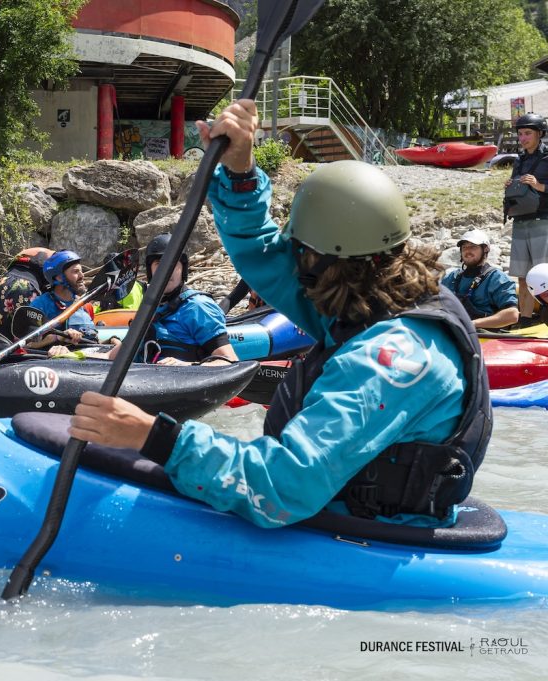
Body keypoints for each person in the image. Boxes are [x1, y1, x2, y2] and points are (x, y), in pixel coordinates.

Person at [69, 99, 490, 530]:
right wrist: (239, 172)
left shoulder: (391, 357)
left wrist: (152, 437)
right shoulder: (368, 296)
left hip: (362, 530)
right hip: (337, 505)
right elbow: (260, 251)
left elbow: (284, 487)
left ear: (331, 260)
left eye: (300, 249)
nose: (292, 258)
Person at [108, 233, 237, 364]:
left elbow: (229, 360)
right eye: (159, 263)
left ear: (183, 269)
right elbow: (111, 357)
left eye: (173, 263)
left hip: (183, 380)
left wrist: (187, 365)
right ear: (150, 271)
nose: (166, 270)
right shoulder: (149, 310)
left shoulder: (198, 307)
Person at [505, 113, 548, 326]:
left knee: (544, 275)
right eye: (520, 134)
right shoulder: (519, 161)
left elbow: (539, 188)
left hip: (543, 221)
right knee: (522, 276)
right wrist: (511, 186)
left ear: (540, 134)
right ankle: (524, 321)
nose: (523, 138)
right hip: (520, 221)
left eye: (528, 133)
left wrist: (539, 185)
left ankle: (545, 320)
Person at [441, 229, 518, 330]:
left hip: (484, 334)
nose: (468, 251)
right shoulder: (451, 277)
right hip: (455, 332)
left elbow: (512, 315)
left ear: (485, 249)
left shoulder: (497, 279)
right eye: (464, 247)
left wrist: (471, 324)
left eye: (473, 246)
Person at [27, 250, 99, 352]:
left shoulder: (84, 304)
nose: (82, 276)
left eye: (81, 271)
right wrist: (58, 337)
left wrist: (113, 339)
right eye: (75, 271)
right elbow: (28, 344)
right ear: (59, 277)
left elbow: (93, 341)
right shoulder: (41, 304)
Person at [0, 247, 54, 338]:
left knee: (0, 323)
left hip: (4, 280)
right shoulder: (53, 257)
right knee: (23, 329)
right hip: (25, 286)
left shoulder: (37, 252)